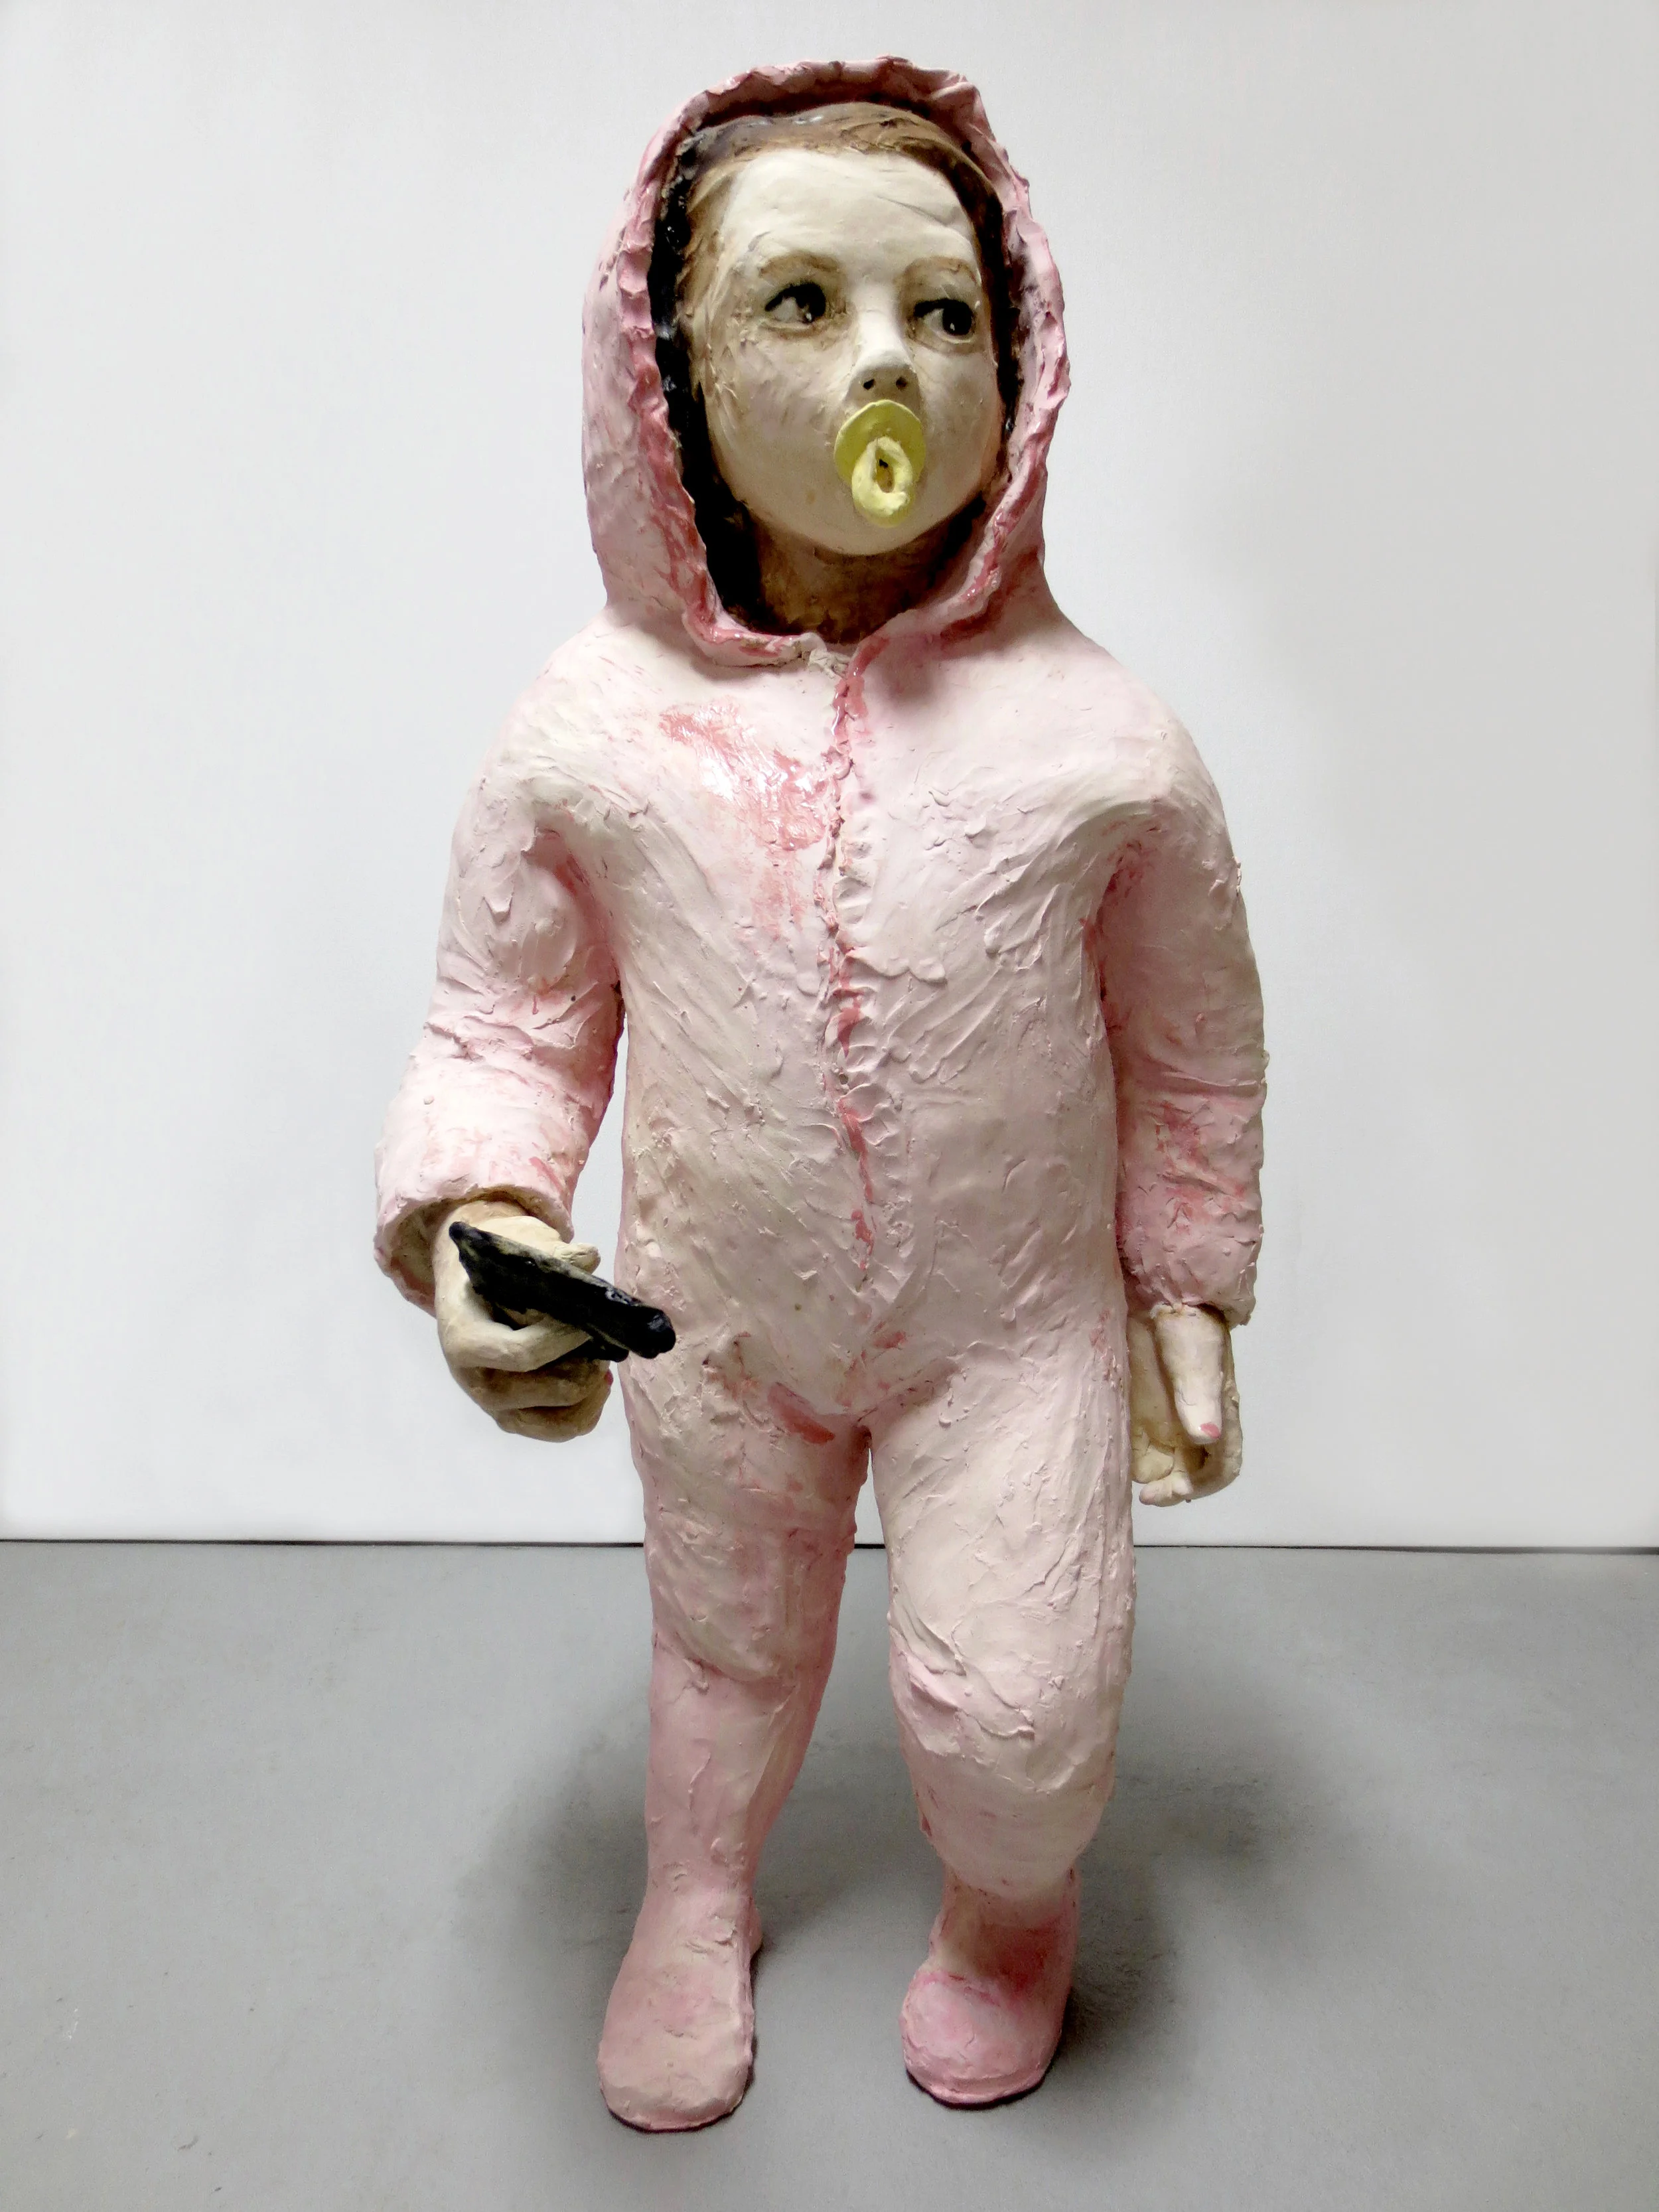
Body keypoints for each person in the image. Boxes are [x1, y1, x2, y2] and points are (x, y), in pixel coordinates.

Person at [376, 58, 1265, 2129]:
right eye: (800, 301)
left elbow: (1192, 1033)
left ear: (1019, 367)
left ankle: (1009, 1905)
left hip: (1009, 1328)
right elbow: (505, 1021)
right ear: (667, 372)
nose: (887, 360)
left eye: (943, 311)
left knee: (1021, 1714)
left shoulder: (1101, 744)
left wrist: (1186, 1279)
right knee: (722, 1646)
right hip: (718, 1319)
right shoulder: (589, 734)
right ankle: (692, 1895)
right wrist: (481, 1219)